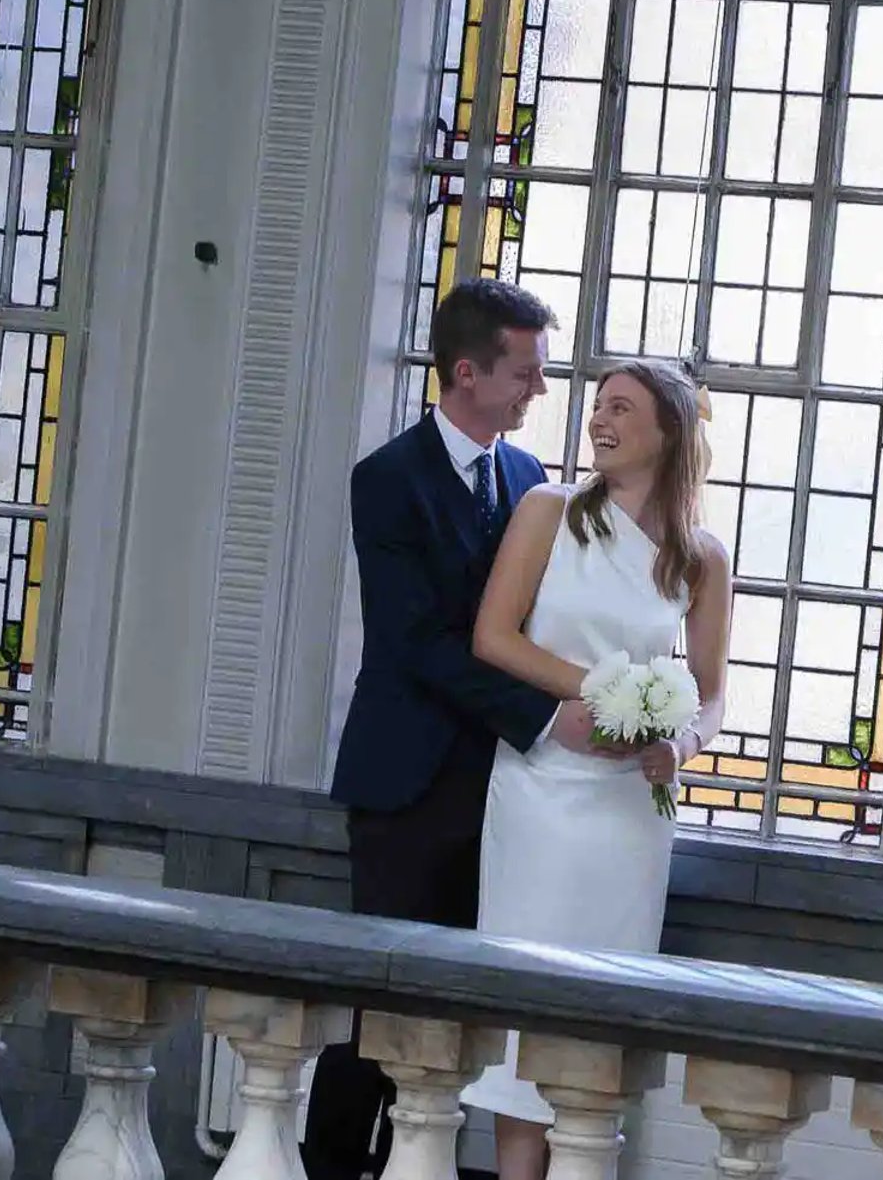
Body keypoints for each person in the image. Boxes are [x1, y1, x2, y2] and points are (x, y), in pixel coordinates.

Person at [302, 278, 597, 1180]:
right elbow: (419, 639)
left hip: (505, 790)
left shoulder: (528, 481)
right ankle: (333, 1166)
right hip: (406, 783)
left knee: (459, 1012)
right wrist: (551, 714)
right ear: (467, 372)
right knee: (383, 1002)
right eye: (525, 373)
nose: (538, 391)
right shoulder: (386, 479)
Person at [460, 358, 732, 1180]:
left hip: (627, 816)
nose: (599, 420)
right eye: (598, 406)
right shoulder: (548, 511)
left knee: (596, 1025)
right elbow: (493, 638)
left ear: (668, 432)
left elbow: (712, 696)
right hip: (540, 791)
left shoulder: (701, 555)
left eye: (621, 407)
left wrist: (674, 744)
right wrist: (602, 692)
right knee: (522, 1018)